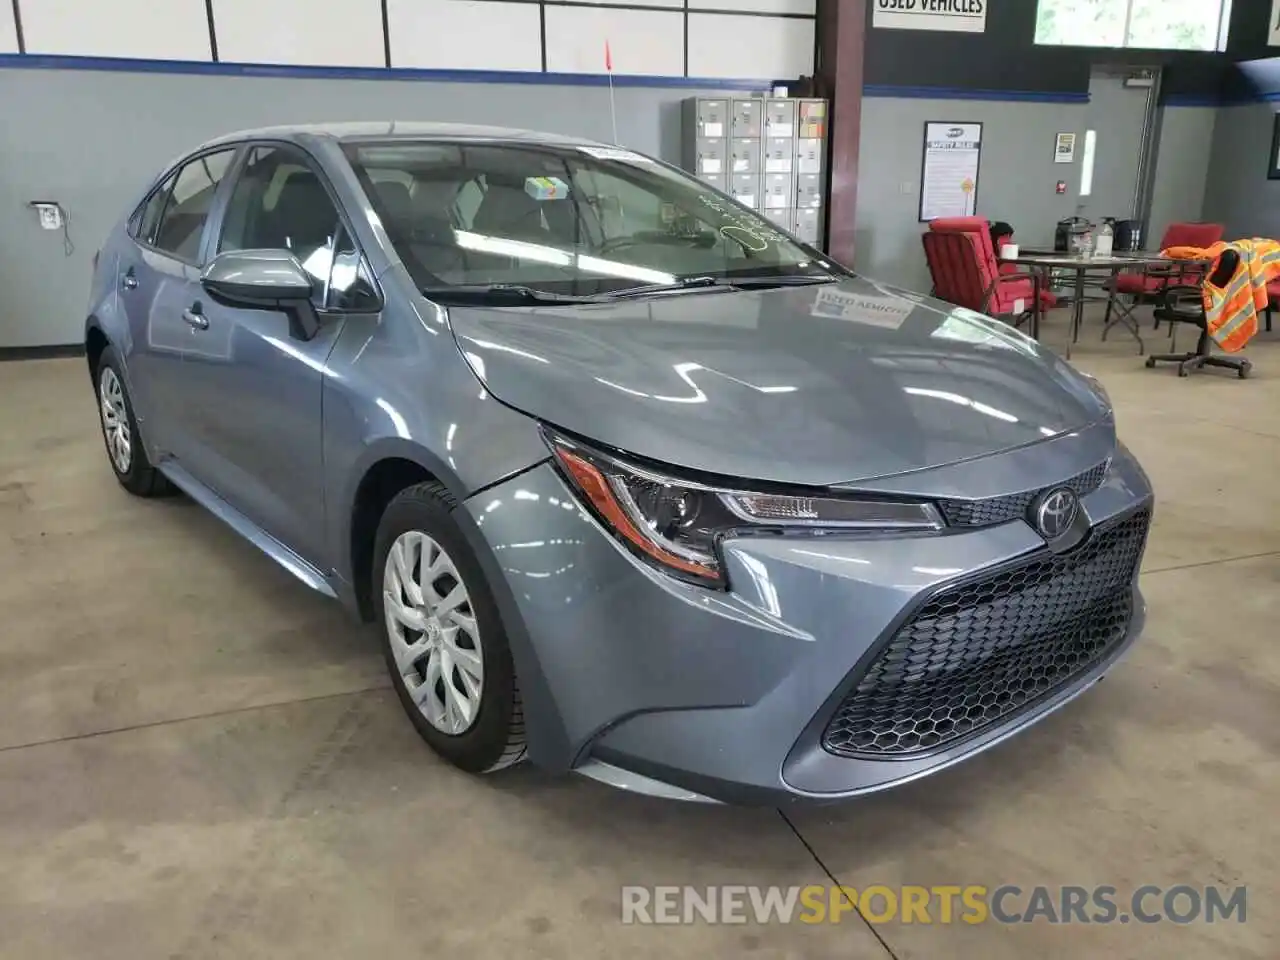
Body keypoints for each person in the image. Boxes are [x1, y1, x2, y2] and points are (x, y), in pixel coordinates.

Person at [992, 220, 1057, 310]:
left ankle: (1043, 298)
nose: (1008, 242)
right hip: (999, 287)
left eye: (1008, 238)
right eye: (1005, 238)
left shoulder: (979, 253)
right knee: (1038, 282)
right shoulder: (997, 254)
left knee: (1033, 279)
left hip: (990, 288)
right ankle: (1043, 299)